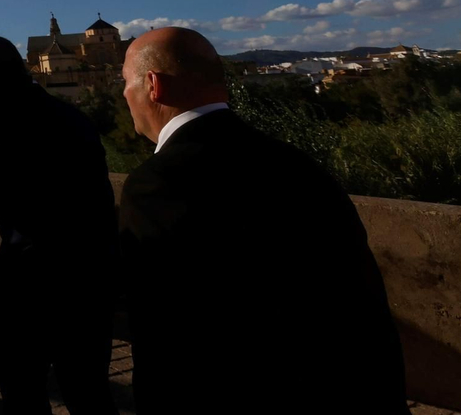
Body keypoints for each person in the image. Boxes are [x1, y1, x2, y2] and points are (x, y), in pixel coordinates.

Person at [117, 27, 404, 415]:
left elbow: (164, 331)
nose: (123, 95)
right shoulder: (296, 163)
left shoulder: (158, 183)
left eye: (124, 82)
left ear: (153, 85)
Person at [0, 36, 117, 415]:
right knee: (88, 390)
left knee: (23, 387)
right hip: (90, 272)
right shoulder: (72, 116)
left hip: (30, 274)